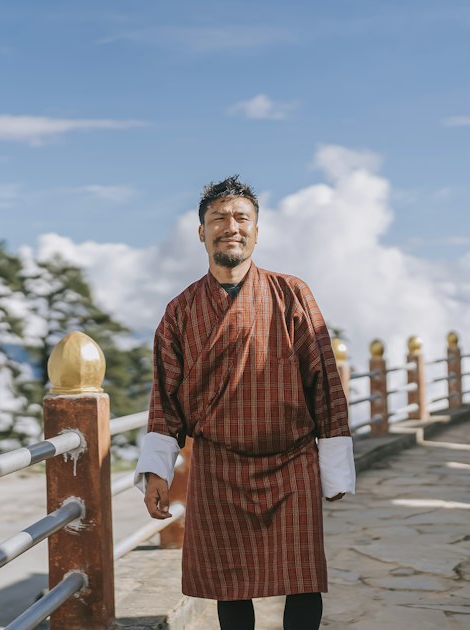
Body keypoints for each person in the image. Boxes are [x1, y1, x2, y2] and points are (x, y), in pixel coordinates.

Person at [134, 175, 355, 630]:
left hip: (291, 459)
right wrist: (157, 470)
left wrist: (333, 463)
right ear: (201, 232)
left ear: (257, 230)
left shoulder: (291, 293)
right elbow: (166, 399)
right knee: (229, 586)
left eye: (241, 218)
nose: (230, 226)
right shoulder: (180, 311)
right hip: (218, 463)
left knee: (302, 579)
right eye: (218, 218)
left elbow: (325, 383)